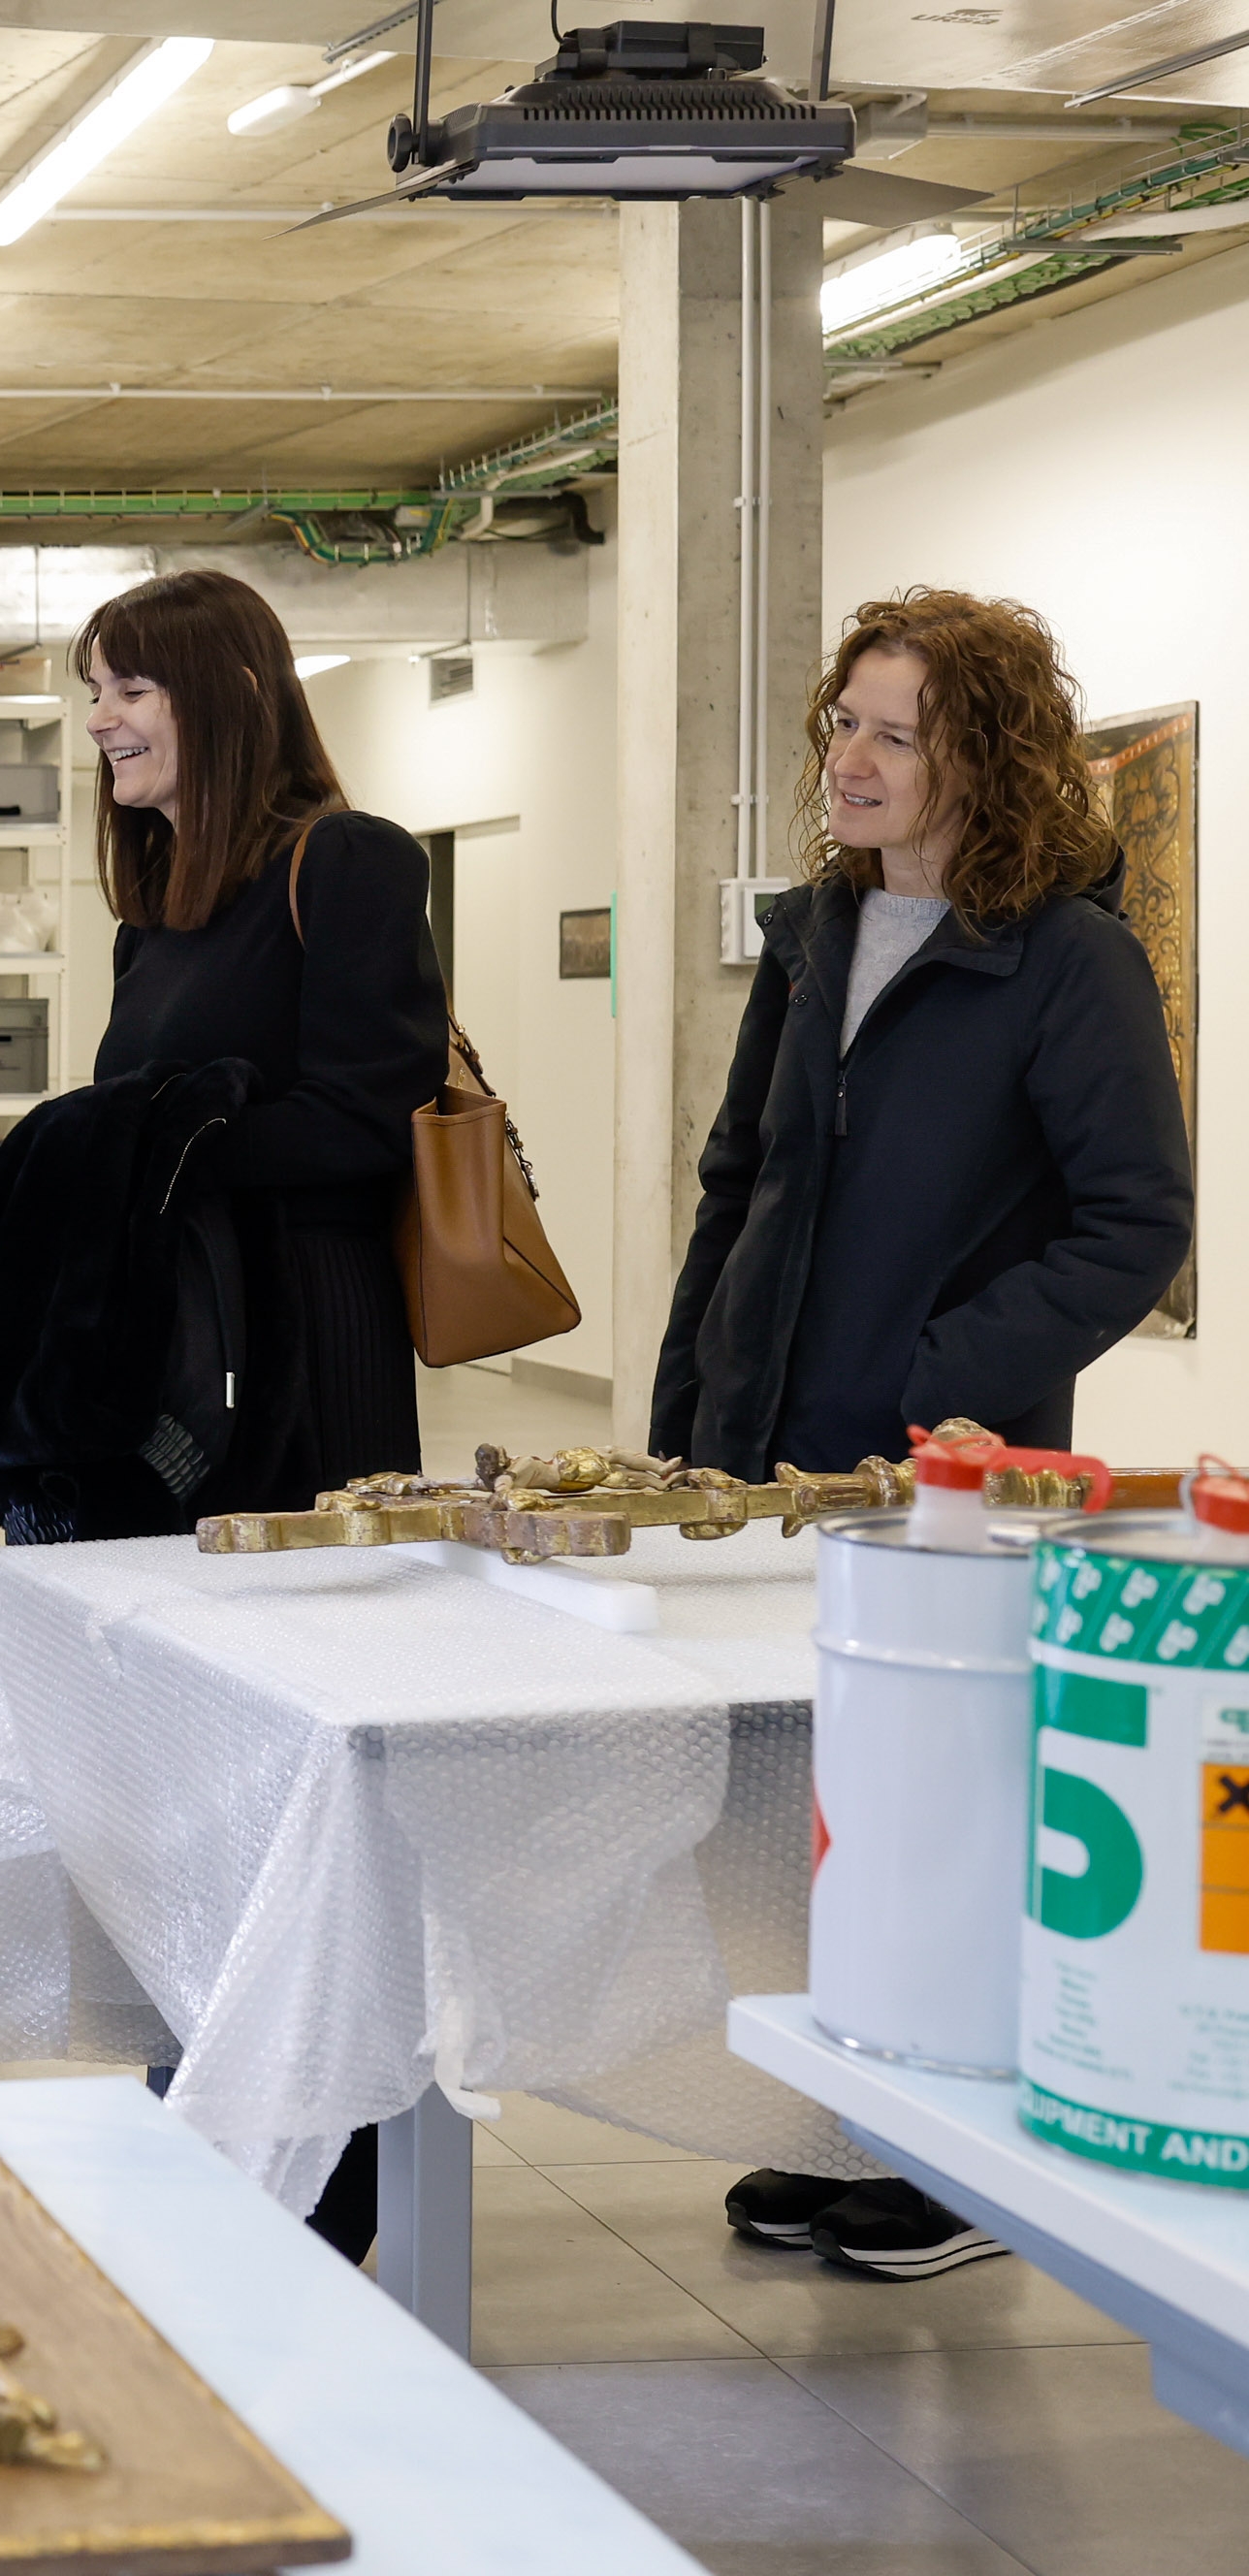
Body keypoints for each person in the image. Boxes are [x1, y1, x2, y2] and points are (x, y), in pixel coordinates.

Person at [657, 589, 1191, 2282]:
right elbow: (731, 1182)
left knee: (929, 1809)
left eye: (896, 732)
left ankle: (953, 2171)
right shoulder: (815, 927)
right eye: (841, 723)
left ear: (982, 761)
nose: (850, 760)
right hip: (761, 1452)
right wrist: (686, 1402)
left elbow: (1131, 1223)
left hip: (935, 1475)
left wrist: (938, 1368)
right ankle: (845, 2123)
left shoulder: (1062, 956)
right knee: (797, 1812)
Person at [0, 566, 445, 2263]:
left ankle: (322, 2169)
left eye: (126, 690)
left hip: (303, 1369)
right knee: (184, 1762)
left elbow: (363, 1117)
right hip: (180, 1363)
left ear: (219, 692)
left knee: (297, 1767)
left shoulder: (346, 862)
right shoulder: (152, 901)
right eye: (89, 691)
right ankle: (210, 2098)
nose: (98, 721)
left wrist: (150, 1138)